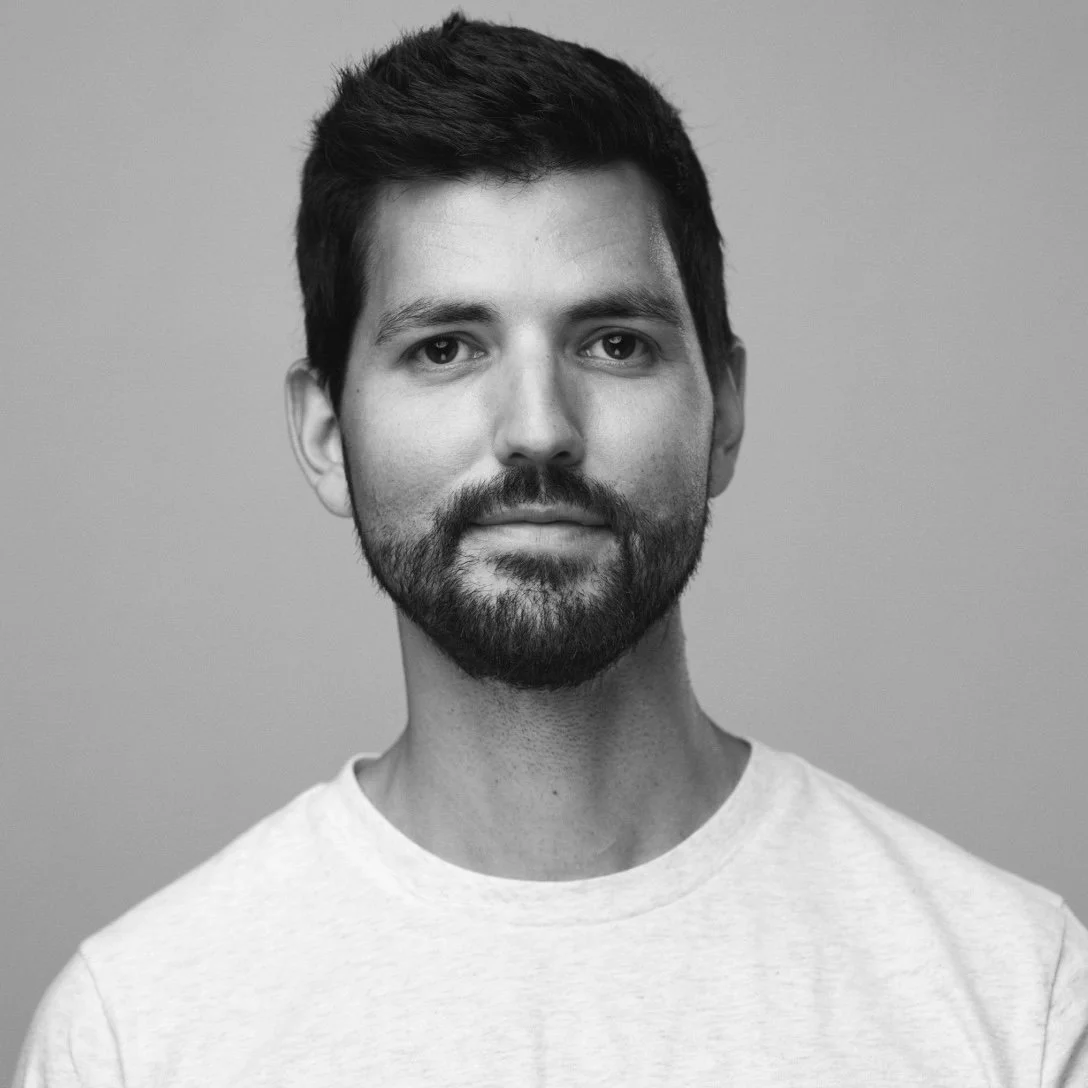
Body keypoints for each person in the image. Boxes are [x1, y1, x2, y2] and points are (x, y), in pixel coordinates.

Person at [14, 11, 1087, 1086]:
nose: (537, 425)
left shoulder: (1013, 993)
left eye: (613, 343)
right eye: (444, 348)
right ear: (327, 432)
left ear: (722, 411)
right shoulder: (135, 1033)